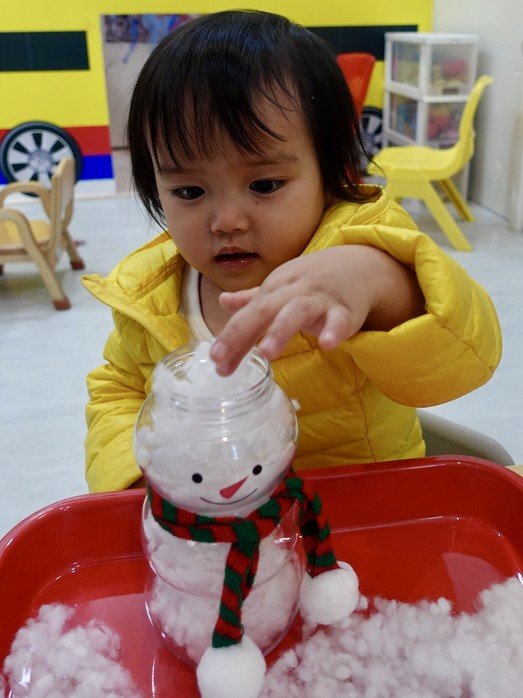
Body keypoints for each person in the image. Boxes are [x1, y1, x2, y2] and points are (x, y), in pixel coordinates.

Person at [83, 10, 501, 493]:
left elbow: (465, 363)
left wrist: (379, 282)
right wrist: (132, 476)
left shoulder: (361, 241)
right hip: (220, 522)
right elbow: (119, 389)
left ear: (331, 172)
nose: (227, 221)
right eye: (189, 192)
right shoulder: (148, 295)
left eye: (264, 184)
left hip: (365, 511)